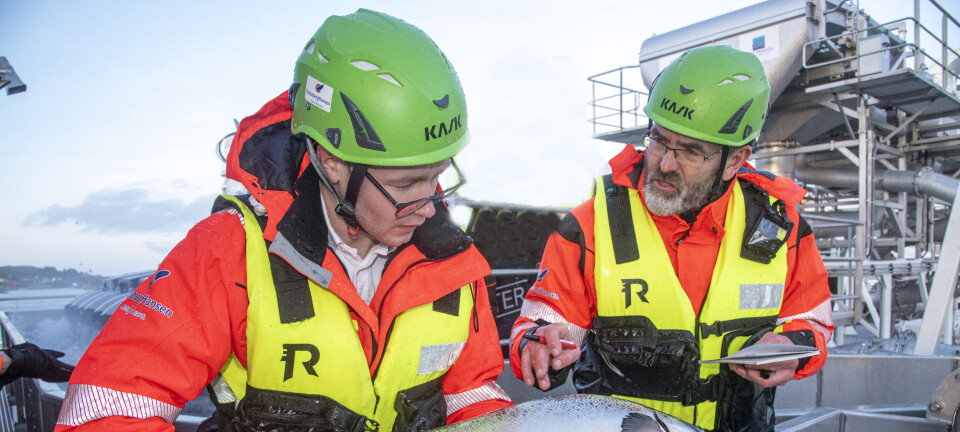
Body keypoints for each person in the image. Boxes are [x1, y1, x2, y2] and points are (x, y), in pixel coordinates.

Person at [56, 9, 511, 431]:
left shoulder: (455, 265)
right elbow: (110, 403)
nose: (430, 205)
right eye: (408, 183)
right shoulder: (229, 252)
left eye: (438, 176)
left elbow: (473, 398)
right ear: (331, 161)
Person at [509, 45, 834, 431]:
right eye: (659, 140)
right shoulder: (590, 224)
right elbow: (545, 320)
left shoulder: (782, 229)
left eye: (691, 152)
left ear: (735, 159)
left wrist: (791, 348)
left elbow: (810, 319)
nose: (664, 164)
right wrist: (537, 342)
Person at [0, 342, 73, 387]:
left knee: (74, 374)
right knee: (74, 374)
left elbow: (5, 361)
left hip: (35, 362)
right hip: (25, 352)